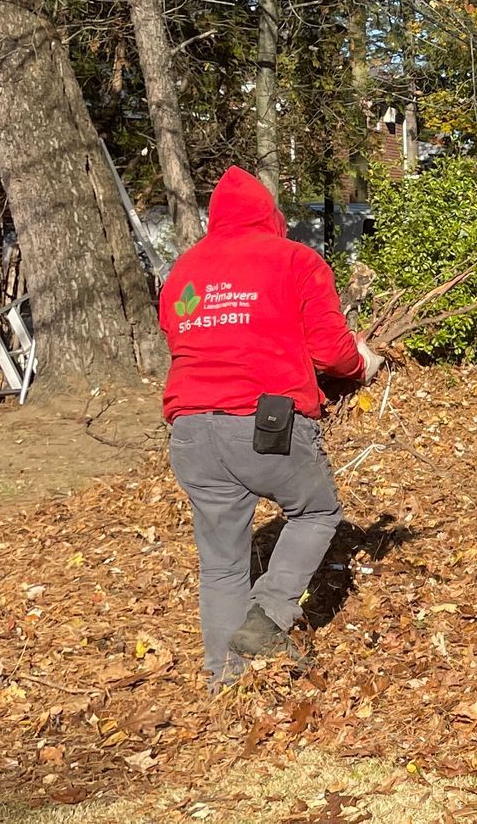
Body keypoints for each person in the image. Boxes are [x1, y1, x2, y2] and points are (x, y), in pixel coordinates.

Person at [158, 167, 385, 686]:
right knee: (317, 512)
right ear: (271, 215)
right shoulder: (295, 260)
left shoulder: (183, 272)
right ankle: (268, 613)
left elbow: (178, 337)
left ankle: (226, 681)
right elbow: (331, 352)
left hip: (190, 430)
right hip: (266, 422)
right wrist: (361, 365)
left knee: (221, 565)